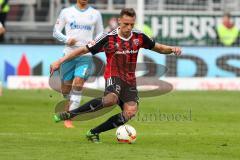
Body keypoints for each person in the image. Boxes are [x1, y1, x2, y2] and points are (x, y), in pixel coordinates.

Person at [51, 8, 181, 143]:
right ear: (119, 21)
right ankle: (70, 114)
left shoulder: (139, 37)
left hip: (130, 81)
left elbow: (159, 48)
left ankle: (93, 132)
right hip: (114, 76)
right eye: (126, 24)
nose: (129, 27)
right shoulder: (108, 38)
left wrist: (172, 49)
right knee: (110, 100)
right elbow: (83, 50)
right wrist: (60, 61)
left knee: (130, 112)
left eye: (131, 24)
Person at [53, 0, 103, 128]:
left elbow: (100, 33)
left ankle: (70, 116)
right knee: (65, 89)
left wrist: (94, 42)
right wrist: (67, 39)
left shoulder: (95, 14)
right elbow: (56, 32)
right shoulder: (66, 12)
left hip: (85, 55)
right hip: (68, 54)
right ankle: (70, 102)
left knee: (79, 81)